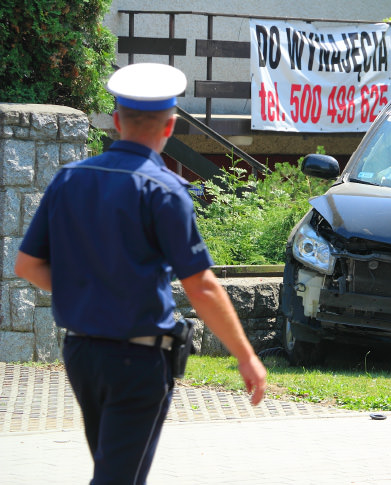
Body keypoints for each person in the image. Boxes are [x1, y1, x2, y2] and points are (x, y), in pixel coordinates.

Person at [14, 63, 266, 484]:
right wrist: (246, 356)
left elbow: (28, 265)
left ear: (115, 122)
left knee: (116, 471)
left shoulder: (68, 180)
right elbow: (201, 286)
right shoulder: (164, 190)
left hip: (81, 355)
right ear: (170, 128)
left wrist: (89, 290)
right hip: (137, 359)